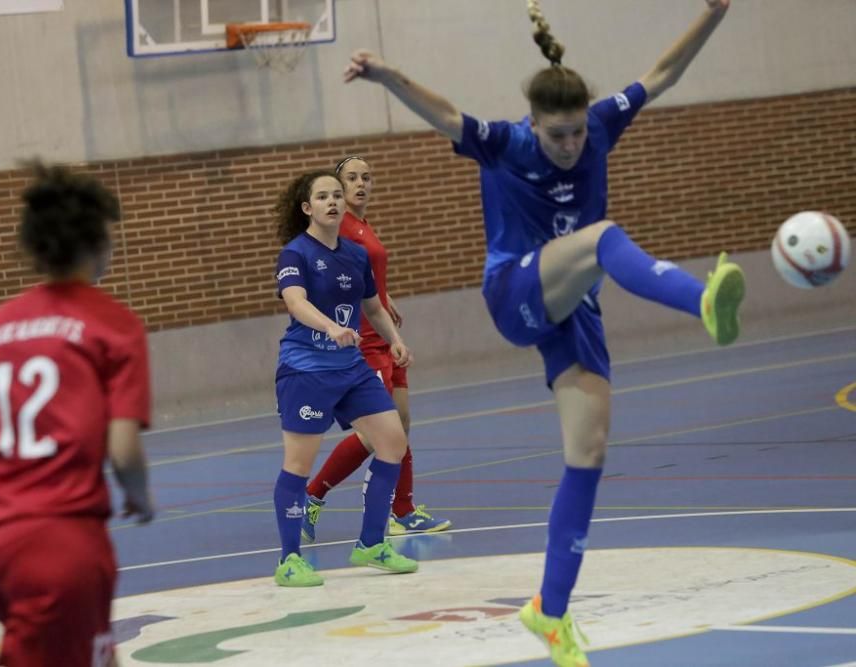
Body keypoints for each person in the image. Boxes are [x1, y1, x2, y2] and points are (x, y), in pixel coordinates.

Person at [343, 0, 741, 664]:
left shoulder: (603, 124)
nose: (569, 146)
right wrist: (386, 74)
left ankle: (550, 614)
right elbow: (443, 111)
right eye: (556, 136)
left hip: (575, 310)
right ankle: (704, 302)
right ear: (534, 125)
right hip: (516, 290)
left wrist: (714, 15)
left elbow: (664, 72)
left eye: (577, 134)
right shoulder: (505, 144)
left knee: (588, 454)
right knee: (603, 237)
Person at [0, 162, 154, 667]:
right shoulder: (112, 324)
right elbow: (124, 450)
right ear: (98, 242)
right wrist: (138, 494)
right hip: (62, 546)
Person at [272, 169, 419, 587]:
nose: (334, 201)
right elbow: (295, 302)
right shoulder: (295, 254)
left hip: (351, 369)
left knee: (392, 442)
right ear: (307, 208)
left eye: (337, 195)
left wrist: (395, 340)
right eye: (323, 196)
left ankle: (371, 544)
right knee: (298, 466)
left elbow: (372, 307)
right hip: (306, 370)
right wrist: (330, 327)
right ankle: (289, 560)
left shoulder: (356, 254)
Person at [301, 155, 451, 543]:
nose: (360, 184)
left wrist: (386, 298)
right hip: (363, 342)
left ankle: (403, 510)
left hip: (385, 335)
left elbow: (365, 277)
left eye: (366, 177)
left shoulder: (363, 227)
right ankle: (313, 494)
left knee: (401, 425)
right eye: (351, 178)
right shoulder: (340, 227)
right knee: (378, 435)